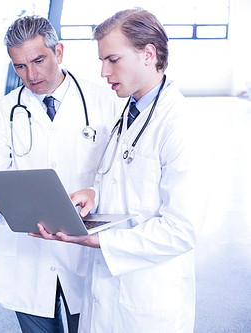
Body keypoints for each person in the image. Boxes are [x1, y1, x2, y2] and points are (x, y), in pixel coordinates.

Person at [34, 8, 204, 332]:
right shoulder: (130, 111)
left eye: (112, 60)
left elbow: (182, 229)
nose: (103, 72)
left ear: (148, 54)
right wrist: (93, 195)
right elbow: (125, 181)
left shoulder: (179, 122)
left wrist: (100, 242)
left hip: (148, 300)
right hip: (106, 295)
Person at [0, 16, 122, 333]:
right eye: (19, 66)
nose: (31, 74)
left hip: (83, 247)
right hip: (26, 252)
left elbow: (117, 172)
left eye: (38, 60)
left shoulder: (104, 101)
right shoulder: (5, 109)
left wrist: (95, 193)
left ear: (60, 51)